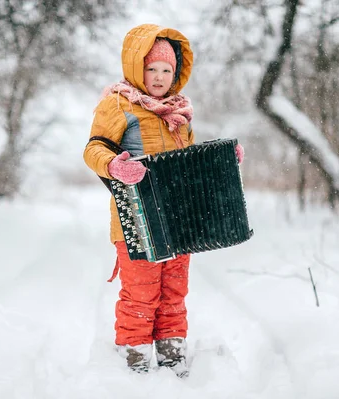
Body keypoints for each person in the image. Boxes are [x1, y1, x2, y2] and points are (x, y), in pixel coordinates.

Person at [83, 24, 244, 377]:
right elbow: (93, 148)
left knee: (173, 293)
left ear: (176, 73)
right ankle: (134, 363)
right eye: (151, 68)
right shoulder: (117, 103)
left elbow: (188, 163)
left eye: (166, 70)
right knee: (141, 294)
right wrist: (114, 165)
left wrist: (223, 162)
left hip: (178, 218)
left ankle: (173, 361)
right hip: (137, 218)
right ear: (136, 67)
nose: (158, 77)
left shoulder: (179, 111)